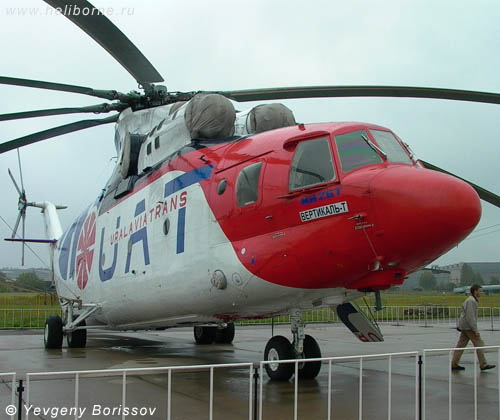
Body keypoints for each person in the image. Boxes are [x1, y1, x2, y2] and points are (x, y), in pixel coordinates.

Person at [451, 284, 496, 371]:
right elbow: (470, 316)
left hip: (465, 326)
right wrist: (475, 330)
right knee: (479, 343)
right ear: (475, 291)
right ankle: (483, 364)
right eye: (480, 291)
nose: (481, 293)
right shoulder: (471, 301)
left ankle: (454, 363)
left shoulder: (471, 300)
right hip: (468, 327)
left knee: (461, 345)